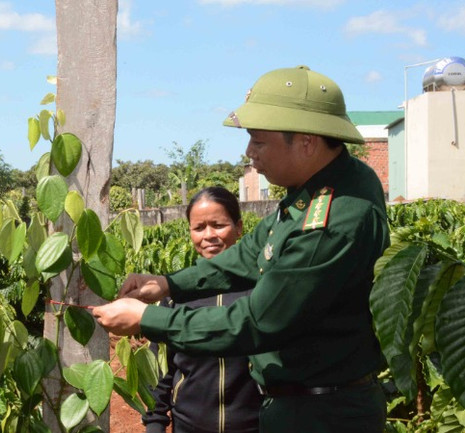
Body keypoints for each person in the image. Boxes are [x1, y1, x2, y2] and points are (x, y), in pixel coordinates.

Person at [93, 66, 389, 433]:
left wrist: (148, 319)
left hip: (321, 415)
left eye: (259, 141)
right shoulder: (319, 188)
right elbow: (250, 252)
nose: (249, 152)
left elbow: (259, 320)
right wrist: (167, 284)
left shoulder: (330, 219)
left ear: (307, 142)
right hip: (303, 404)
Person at [143, 186, 261, 433]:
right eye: (198, 228)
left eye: (218, 225)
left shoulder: (262, 289)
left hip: (255, 425)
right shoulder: (175, 294)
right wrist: (155, 423)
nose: (208, 235)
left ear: (239, 228)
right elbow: (160, 371)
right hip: (189, 426)